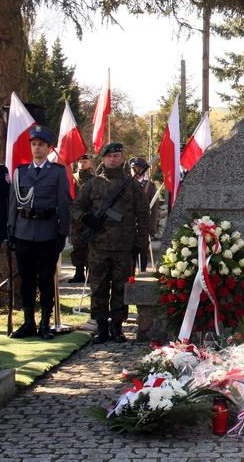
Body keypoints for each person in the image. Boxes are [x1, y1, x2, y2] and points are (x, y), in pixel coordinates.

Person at [71, 142, 148, 343]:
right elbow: (76, 208)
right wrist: (87, 218)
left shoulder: (132, 185)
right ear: (103, 159)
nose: (112, 159)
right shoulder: (93, 184)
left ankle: (117, 328)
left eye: (116, 156)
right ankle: (101, 327)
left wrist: (140, 243)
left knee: (121, 288)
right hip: (98, 247)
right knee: (98, 288)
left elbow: (143, 215)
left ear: (122, 158)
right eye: (109, 156)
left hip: (124, 247)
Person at [7, 126, 70, 340]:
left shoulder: (57, 172)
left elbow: (64, 204)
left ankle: (45, 323)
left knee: (45, 280)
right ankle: (28, 323)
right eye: (34, 144)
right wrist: (11, 231)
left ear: (48, 148)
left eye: (41, 145)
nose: (37, 148)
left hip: (47, 233)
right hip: (23, 233)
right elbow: (13, 203)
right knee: (26, 281)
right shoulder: (20, 172)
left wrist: (62, 233)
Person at [68, 154, 95, 283]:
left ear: (90, 162)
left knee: (90, 247)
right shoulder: (72, 178)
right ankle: (79, 273)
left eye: (85, 161)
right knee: (77, 247)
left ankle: (90, 273)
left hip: (89, 218)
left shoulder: (95, 180)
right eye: (80, 161)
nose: (82, 163)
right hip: (76, 220)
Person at [128, 157, 158, 272]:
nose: (135, 171)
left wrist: (152, 227)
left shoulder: (150, 186)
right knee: (129, 250)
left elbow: (154, 209)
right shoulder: (127, 185)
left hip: (144, 224)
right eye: (133, 169)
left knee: (142, 248)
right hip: (129, 224)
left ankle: (143, 271)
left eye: (138, 168)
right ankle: (131, 273)